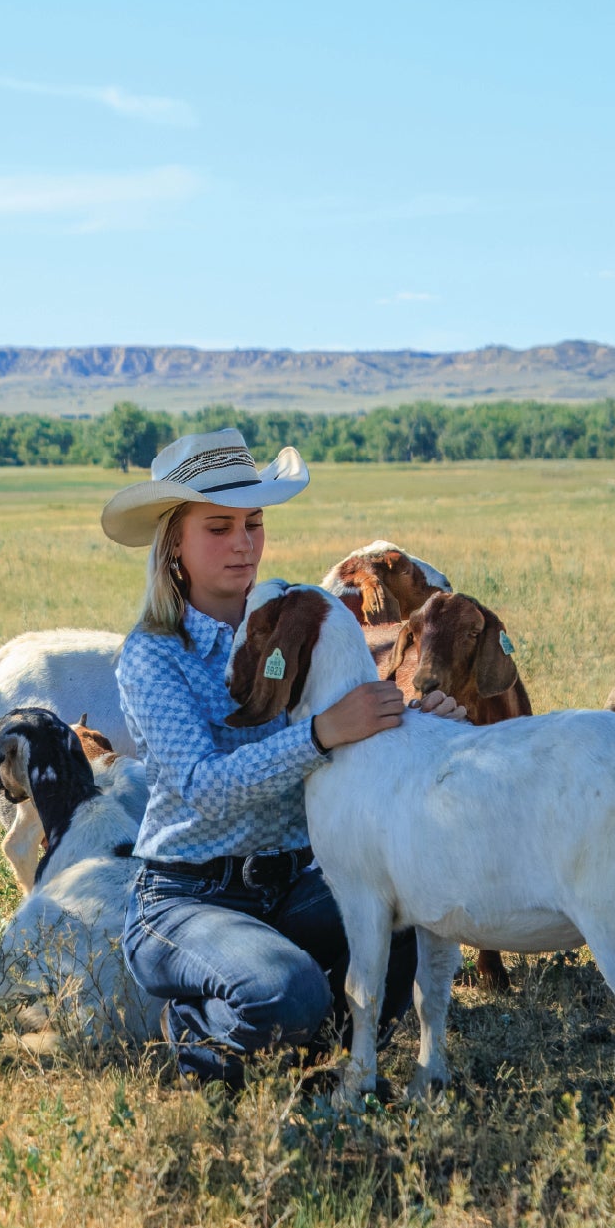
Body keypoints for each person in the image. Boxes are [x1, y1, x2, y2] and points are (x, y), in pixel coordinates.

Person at [101, 428, 466, 1088]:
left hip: (298, 880)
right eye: (218, 527)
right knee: (287, 991)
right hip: (187, 895)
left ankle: (309, 1053)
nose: (243, 543)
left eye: (254, 523)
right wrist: (322, 732)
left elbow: (357, 721)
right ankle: (203, 1035)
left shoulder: (296, 622)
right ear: (174, 546)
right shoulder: (154, 655)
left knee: (407, 914)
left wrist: (413, 724)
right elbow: (203, 787)